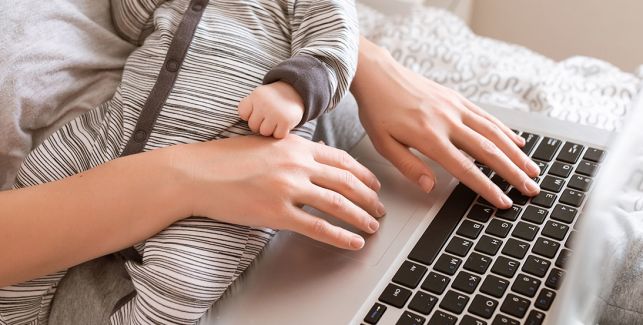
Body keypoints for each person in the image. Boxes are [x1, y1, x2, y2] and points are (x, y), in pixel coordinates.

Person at [0, 16, 541, 325]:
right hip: (104, 212)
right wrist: (189, 175)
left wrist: (361, 61)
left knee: (558, 234)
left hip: (316, 137)